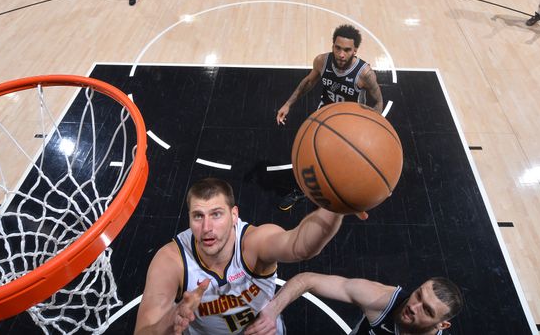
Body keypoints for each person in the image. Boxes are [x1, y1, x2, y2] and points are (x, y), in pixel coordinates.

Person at [133, 178, 361, 334]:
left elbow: (301, 246)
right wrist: (171, 319)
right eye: (198, 216)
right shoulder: (171, 260)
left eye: (216, 214)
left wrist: (336, 203)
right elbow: (143, 331)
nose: (207, 227)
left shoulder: (254, 243)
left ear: (234, 215)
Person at [275, 24, 384, 210]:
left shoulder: (365, 74)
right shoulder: (321, 61)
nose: (341, 54)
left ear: (355, 50)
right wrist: (288, 104)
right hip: (325, 115)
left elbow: (378, 102)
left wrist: (371, 129)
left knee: (346, 163)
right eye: (338, 48)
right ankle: (303, 190)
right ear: (333, 45)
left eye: (347, 50)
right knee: (310, 154)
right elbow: (308, 82)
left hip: (352, 124)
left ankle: (349, 192)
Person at [244, 272, 463, 335]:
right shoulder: (381, 299)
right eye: (418, 295)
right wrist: (272, 310)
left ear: (442, 325)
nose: (412, 307)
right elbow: (307, 280)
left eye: (426, 310)